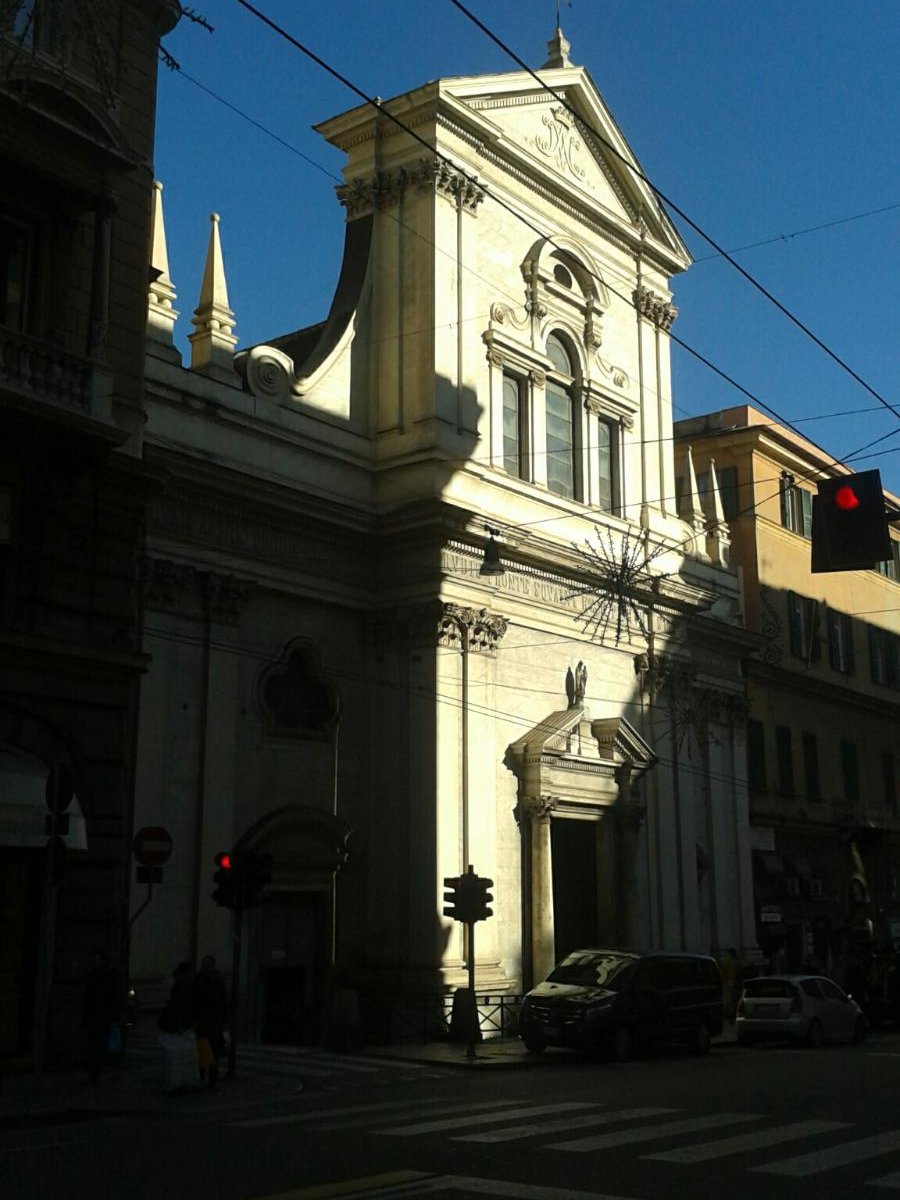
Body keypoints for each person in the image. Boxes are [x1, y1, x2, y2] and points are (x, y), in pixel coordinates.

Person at [80, 951, 124, 1084]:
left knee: (102, 1045)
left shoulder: (107, 977)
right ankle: (99, 1072)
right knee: (98, 1045)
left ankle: (103, 1072)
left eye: (98, 960)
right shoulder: (98, 977)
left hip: (103, 1016)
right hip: (98, 1016)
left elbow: (112, 997)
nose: (95, 963)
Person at [193, 955, 228, 1087]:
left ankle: (212, 1079)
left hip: (213, 1020)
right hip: (203, 1019)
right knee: (203, 1050)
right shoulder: (199, 980)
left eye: (208, 965)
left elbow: (223, 1000)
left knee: (213, 1051)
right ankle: (203, 1077)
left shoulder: (217, 980)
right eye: (205, 964)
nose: (206, 967)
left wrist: (224, 1019)